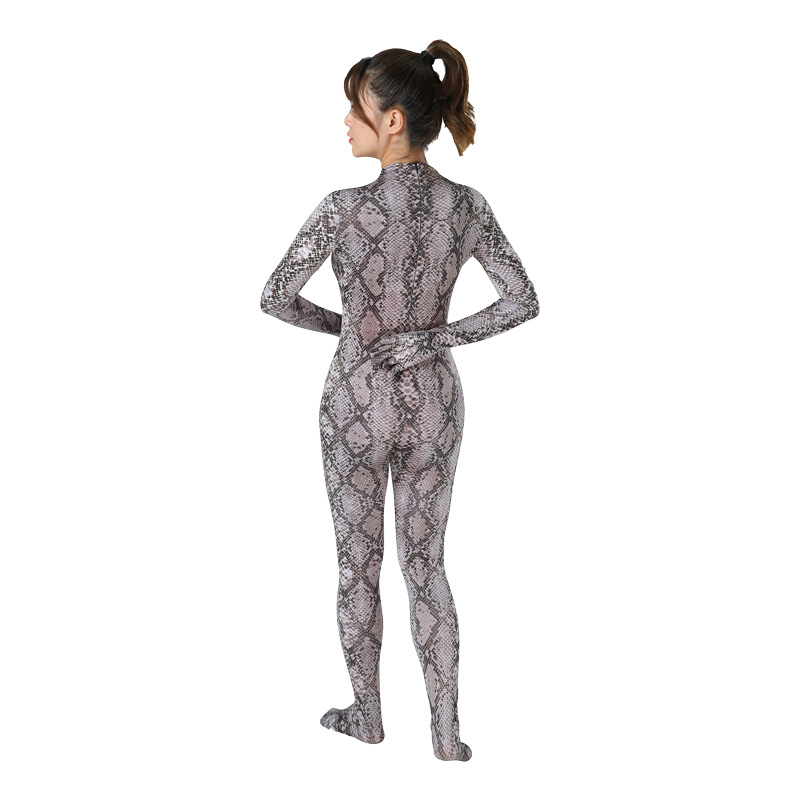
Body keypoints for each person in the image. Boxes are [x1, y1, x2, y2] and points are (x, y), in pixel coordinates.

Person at [260, 40, 540, 762]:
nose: (345, 122)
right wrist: (435, 338)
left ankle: (368, 714)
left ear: (391, 121)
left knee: (357, 568)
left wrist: (352, 330)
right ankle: (446, 734)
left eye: (355, 109)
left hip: (355, 399)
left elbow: (275, 297)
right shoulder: (465, 206)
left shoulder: (342, 209)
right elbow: (522, 300)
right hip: (434, 401)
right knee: (428, 566)